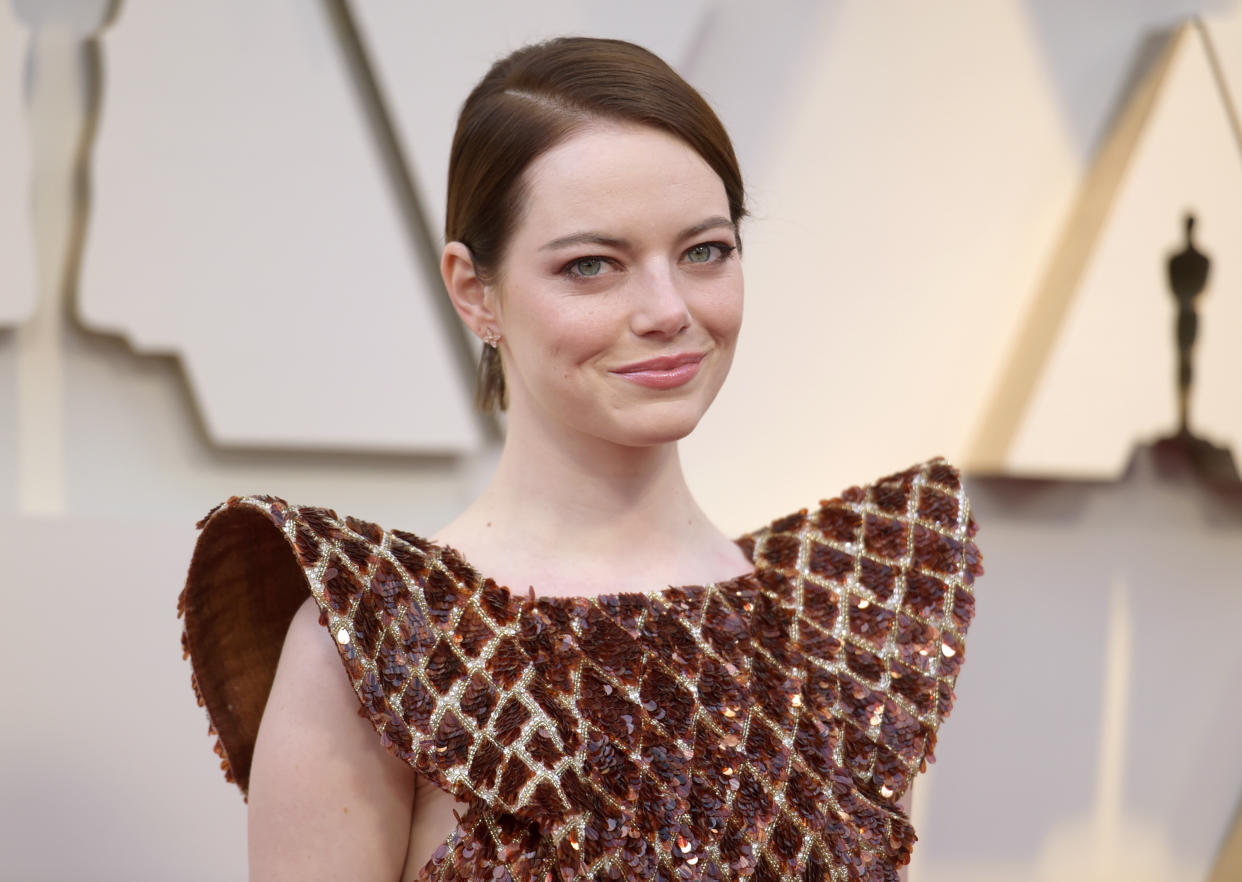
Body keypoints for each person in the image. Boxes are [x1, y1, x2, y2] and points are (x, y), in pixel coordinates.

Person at [179, 36, 982, 882]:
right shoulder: (384, 642)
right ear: (473, 289)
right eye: (592, 266)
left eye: (704, 251)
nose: (668, 310)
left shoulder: (833, 622)